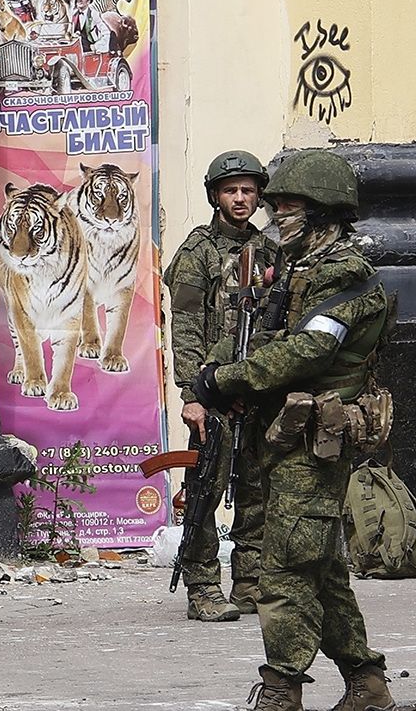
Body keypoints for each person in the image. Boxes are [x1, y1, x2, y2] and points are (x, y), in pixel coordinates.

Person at [192, 150, 397, 711]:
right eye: (275, 203)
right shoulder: (293, 269)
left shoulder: (345, 278)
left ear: (324, 211)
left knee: (281, 571)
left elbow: (306, 352)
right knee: (321, 569)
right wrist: (215, 377)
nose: (274, 212)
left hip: (313, 446)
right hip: (281, 440)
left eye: (289, 205)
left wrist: (228, 379)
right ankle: (367, 684)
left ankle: (281, 689)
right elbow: (256, 333)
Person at [160, 150, 274, 623]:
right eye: (231, 190)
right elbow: (184, 326)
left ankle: (249, 583)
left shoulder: (270, 252)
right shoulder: (197, 251)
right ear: (215, 196)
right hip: (213, 391)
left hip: (260, 387)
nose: (241, 198)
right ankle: (203, 587)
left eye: (248, 190)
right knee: (206, 489)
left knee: (257, 488)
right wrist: (191, 394)